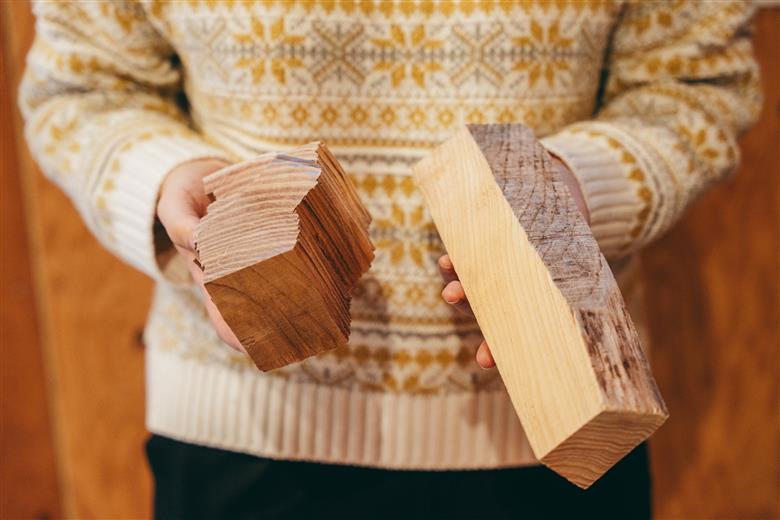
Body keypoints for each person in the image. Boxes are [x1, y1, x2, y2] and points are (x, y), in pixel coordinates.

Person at [20, 1, 761, 518]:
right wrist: (173, 182)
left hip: (556, 433)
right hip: (242, 436)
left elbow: (694, 88)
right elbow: (83, 87)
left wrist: (575, 187)